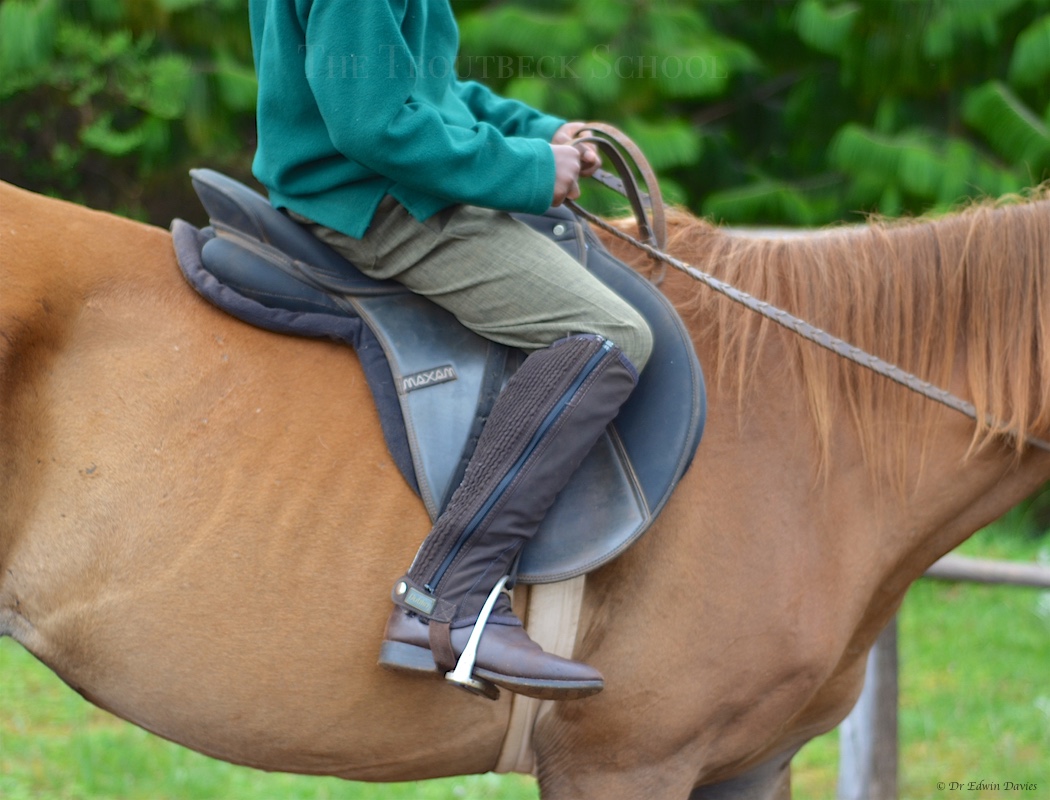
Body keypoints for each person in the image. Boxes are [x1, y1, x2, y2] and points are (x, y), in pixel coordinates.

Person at [249, 0, 653, 700]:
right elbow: (372, 122)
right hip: (378, 201)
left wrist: (536, 132)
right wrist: (526, 171)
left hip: (379, 181)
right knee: (610, 334)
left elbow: (427, 91)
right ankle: (449, 598)